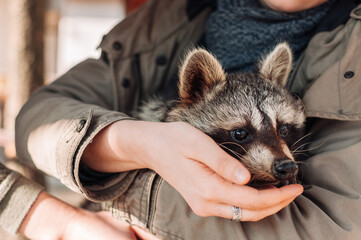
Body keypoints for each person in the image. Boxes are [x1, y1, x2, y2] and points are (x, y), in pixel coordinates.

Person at [12, 0, 361, 239]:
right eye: (240, 134)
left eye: (284, 131)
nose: (281, 151)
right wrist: (130, 143)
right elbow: (36, 117)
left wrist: (128, 197)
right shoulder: (166, 17)